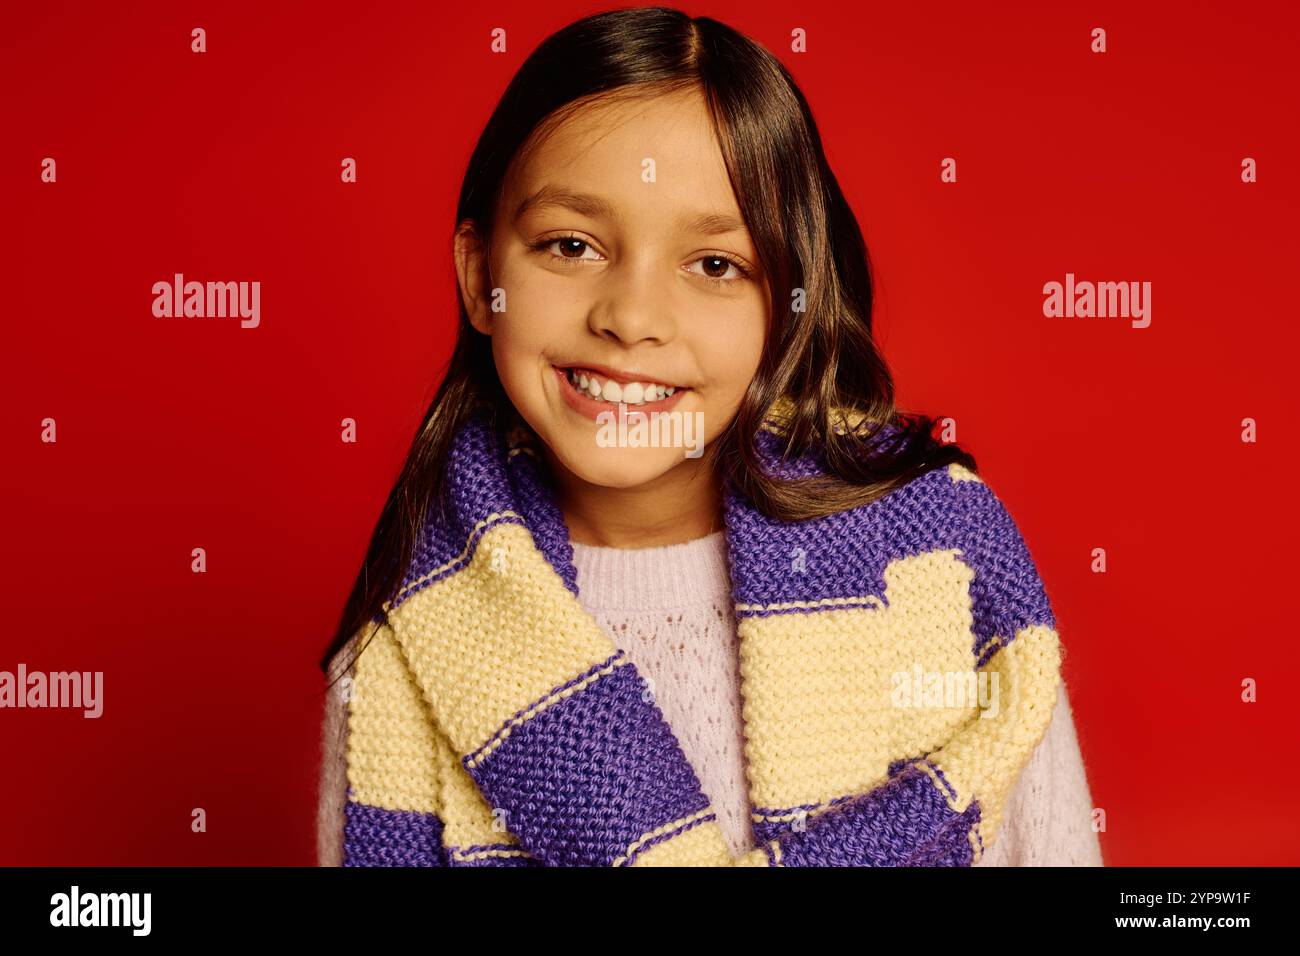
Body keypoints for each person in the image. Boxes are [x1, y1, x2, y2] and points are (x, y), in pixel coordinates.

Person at [316, 6, 1103, 867]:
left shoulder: (937, 565)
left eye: (716, 265)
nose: (632, 316)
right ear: (479, 277)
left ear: (787, 303)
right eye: (570, 245)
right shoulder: (413, 633)